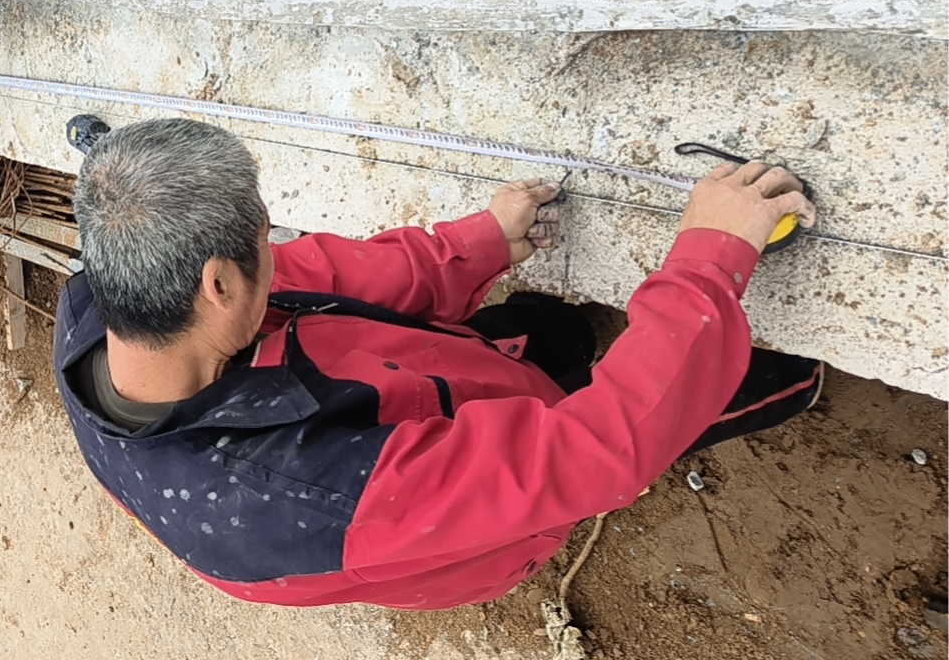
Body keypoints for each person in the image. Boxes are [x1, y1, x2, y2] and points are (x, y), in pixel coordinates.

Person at [55, 118, 824, 612]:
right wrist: (710, 254)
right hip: (451, 523)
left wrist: (477, 244)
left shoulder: (112, 306)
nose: (274, 247)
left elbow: (313, 274)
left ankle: (547, 354)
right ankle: (791, 389)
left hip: (404, 380)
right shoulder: (313, 495)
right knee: (667, 409)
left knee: (545, 331)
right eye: (260, 238)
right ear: (218, 286)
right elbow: (596, 451)